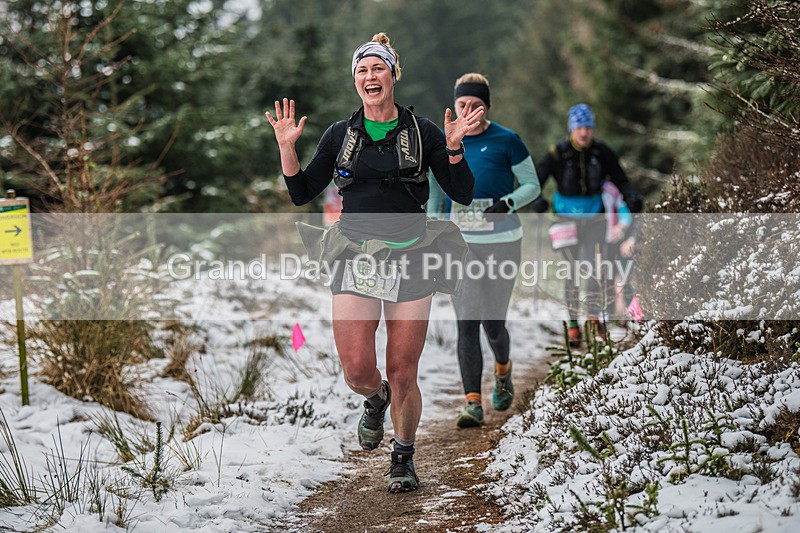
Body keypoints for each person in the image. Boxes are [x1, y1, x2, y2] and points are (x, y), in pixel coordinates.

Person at [265, 33, 484, 493]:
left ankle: (403, 456)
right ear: (356, 80)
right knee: (358, 370)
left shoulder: (424, 132)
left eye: (378, 68)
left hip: (413, 257)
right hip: (355, 256)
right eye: (362, 70)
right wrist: (287, 148)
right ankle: (375, 398)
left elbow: (463, 193)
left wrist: (456, 149)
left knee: (404, 370)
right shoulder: (339, 136)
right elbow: (302, 192)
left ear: (393, 75)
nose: (370, 76)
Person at [427, 73, 540, 428]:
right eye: (462, 104)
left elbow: (533, 186)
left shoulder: (507, 140)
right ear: (454, 105)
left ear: (486, 107)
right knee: (467, 322)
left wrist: (506, 204)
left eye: (476, 104)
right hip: (461, 246)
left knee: (493, 322)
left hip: (504, 242)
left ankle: (503, 369)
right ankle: (472, 402)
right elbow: (435, 198)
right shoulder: (443, 144)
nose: (469, 110)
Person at [534, 103, 639, 348]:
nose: (584, 133)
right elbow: (535, 180)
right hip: (565, 221)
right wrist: (537, 199)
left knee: (593, 267)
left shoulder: (602, 152)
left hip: (594, 218)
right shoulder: (557, 152)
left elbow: (621, 179)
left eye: (588, 128)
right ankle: (573, 324)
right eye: (579, 127)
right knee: (571, 271)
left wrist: (631, 195)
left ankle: (593, 316)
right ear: (572, 129)